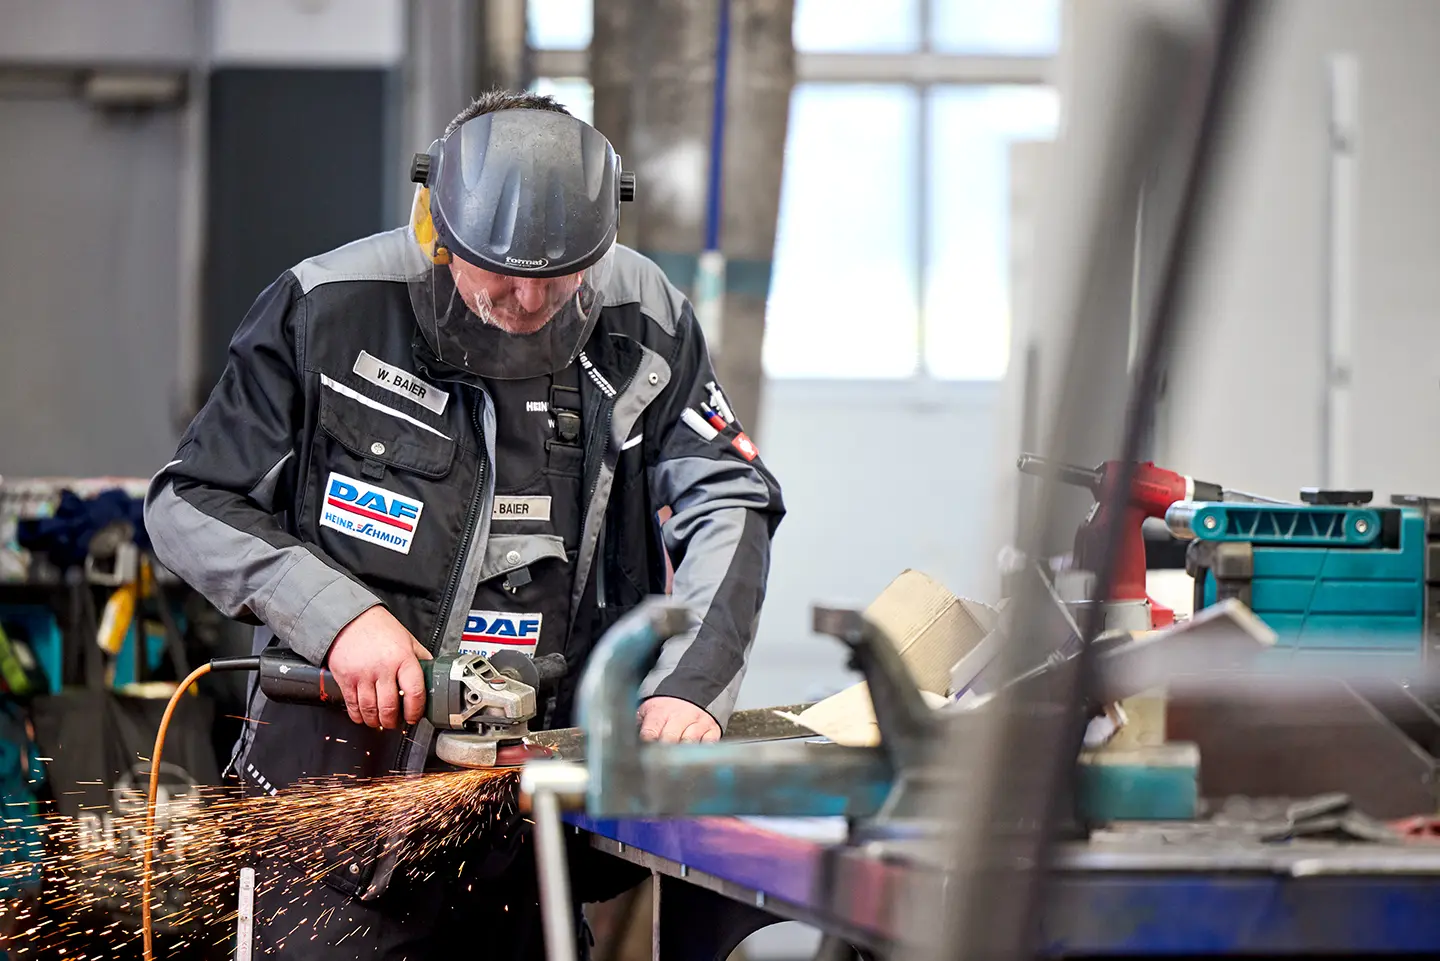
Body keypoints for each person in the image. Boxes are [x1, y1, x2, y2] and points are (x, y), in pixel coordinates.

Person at [143, 89, 785, 959]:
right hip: (334, 821)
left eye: (560, 276)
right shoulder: (327, 309)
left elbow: (731, 499)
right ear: (440, 225)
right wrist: (338, 619)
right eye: (500, 272)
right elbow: (188, 502)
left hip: (534, 824)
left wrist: (690, 682)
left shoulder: (648, 319)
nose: (528, 298)